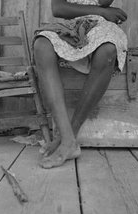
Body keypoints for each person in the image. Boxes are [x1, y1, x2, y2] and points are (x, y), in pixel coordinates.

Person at [33, 0, 127, 169]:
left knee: (108, 49)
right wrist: (102, 11)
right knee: (41, 45)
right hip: (70, 24)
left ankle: (68, 138)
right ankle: (67, 138)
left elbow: (103, 1)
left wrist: (102, 11)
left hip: (98, 25)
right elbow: (58, 8)